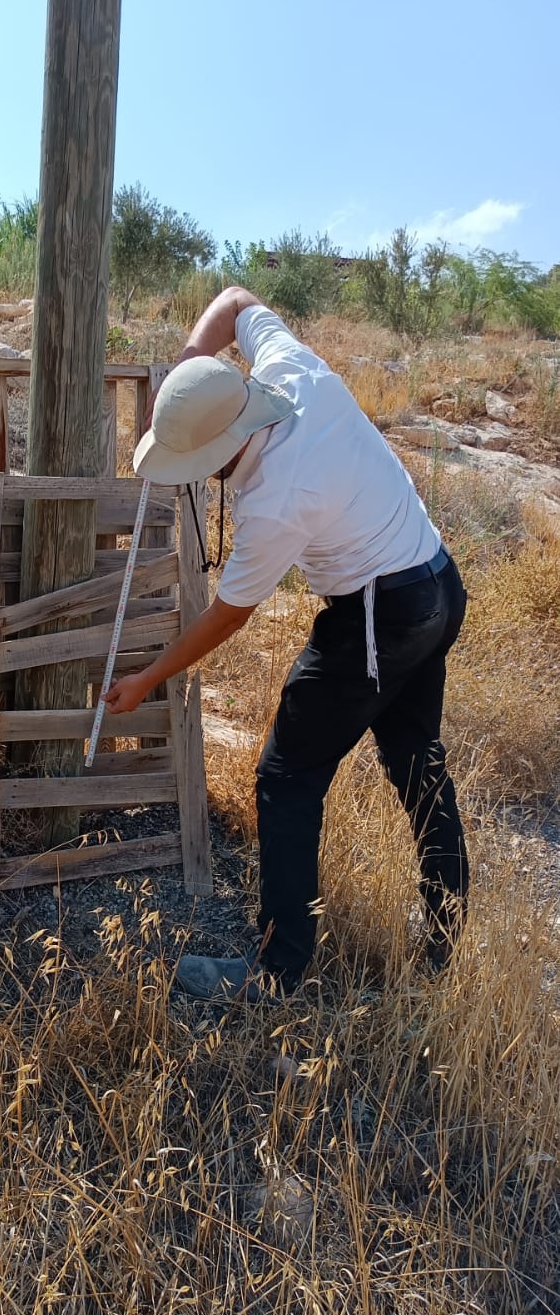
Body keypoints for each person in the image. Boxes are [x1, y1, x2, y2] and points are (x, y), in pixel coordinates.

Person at [104, 286, 469, 1001]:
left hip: (375, 615)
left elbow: (226, 617)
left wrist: (147, 679)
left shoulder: (275, 499)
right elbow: (236, 298)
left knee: (285, 776)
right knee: (417, 766)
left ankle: (276, 971)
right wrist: (189, 367)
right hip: (434, 581)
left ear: (222, 448)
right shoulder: (287, 366)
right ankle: (441, 945)